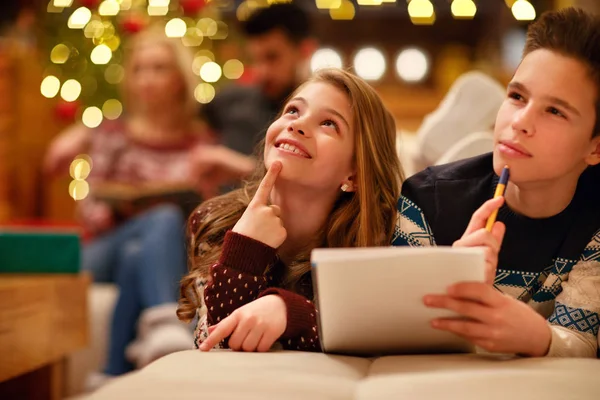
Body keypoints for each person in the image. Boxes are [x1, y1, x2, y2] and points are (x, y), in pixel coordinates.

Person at [177, 68, 504, 352]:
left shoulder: (392, 231)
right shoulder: (215, 223)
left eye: (329, 124)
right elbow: (213, 342)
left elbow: (391, 331)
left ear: (354, 174)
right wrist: (244, 251)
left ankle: (435, 158)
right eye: (293, 111)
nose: (298, 125)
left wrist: (290, 312)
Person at [395, 8, 600, 358]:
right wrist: (445, 278)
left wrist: (539, 337)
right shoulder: (425, 201)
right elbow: (393, 329)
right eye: (516, 97)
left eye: (555, 111)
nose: (519, 122)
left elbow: (580, 340)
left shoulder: (594, 222)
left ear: (595, 147)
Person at [44, 27, 218, 380]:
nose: (147, 79)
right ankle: (169, 323)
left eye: (159, 68)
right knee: (160, 218)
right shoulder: (113, 134)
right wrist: (121, 208)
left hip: (161, 249)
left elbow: (207, 214)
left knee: (140, 252)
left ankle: (111, 375)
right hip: (103, 247)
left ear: (179, 80)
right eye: (140, 69)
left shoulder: (199, 141)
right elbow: (89, 210)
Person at [191, 2, 318, 191]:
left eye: (272, 57)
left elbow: (320, 180)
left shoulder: (326, 116)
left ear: (305, 50)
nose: (261, 72)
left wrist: (245, 168)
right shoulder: (228, 102)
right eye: (256, 59)